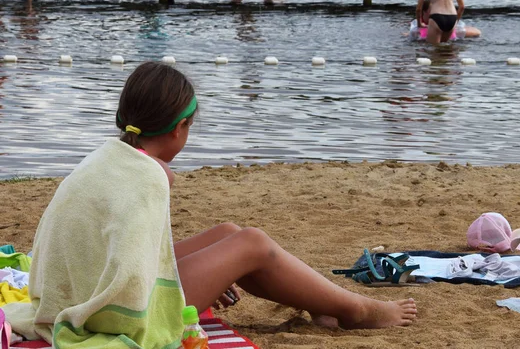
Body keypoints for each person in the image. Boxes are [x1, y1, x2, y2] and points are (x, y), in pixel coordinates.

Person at [10, 62, 417, 347]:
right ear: (179, 128)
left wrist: (206, 275)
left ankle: (317, 305)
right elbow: (131, 276)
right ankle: (358, 311)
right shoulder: (150, 177)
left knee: (227, 235)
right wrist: (181, 291)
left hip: (70, 293)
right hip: (114, 311)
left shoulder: (108, 157)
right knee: (252, 243)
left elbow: (127, 250)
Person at [410, 0, 480, 40]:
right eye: (433, 10)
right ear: (424, 12)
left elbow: (477, 32)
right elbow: (413, 32)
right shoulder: (416, 26)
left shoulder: (444, 22)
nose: (436, 12)